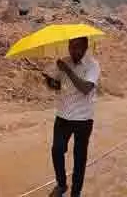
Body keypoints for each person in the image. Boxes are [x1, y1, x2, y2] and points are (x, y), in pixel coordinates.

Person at [42, 37, 100, 197]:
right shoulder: (63, 61)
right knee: (57, 150)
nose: (73, 50)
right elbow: (57, 85)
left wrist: (67, 70)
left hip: (83, 118)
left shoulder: (93, 65)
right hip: (63, 115)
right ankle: (61, 185)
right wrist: (49, 81)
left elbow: (86, 88)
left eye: (77, 47)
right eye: (71, 46)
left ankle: (76, 191)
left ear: (85, 47)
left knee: (79, 156)